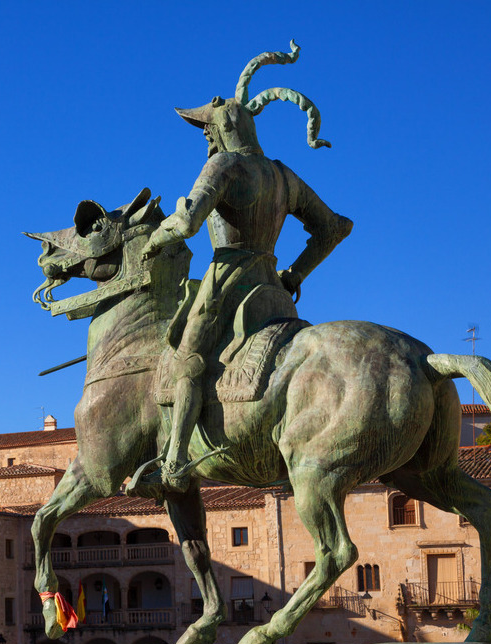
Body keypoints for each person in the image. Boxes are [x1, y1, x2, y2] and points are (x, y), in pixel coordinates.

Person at [141, 41, 353, 492]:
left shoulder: (223, 166)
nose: (204, 135)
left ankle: (175, 460)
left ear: (221, 126)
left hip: (227, 284)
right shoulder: (282, 174)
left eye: (205, 127)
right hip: (273, 291)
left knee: (188, 359)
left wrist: (153, 243)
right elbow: (334, 228)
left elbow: (187, 223)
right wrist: (295, 274)